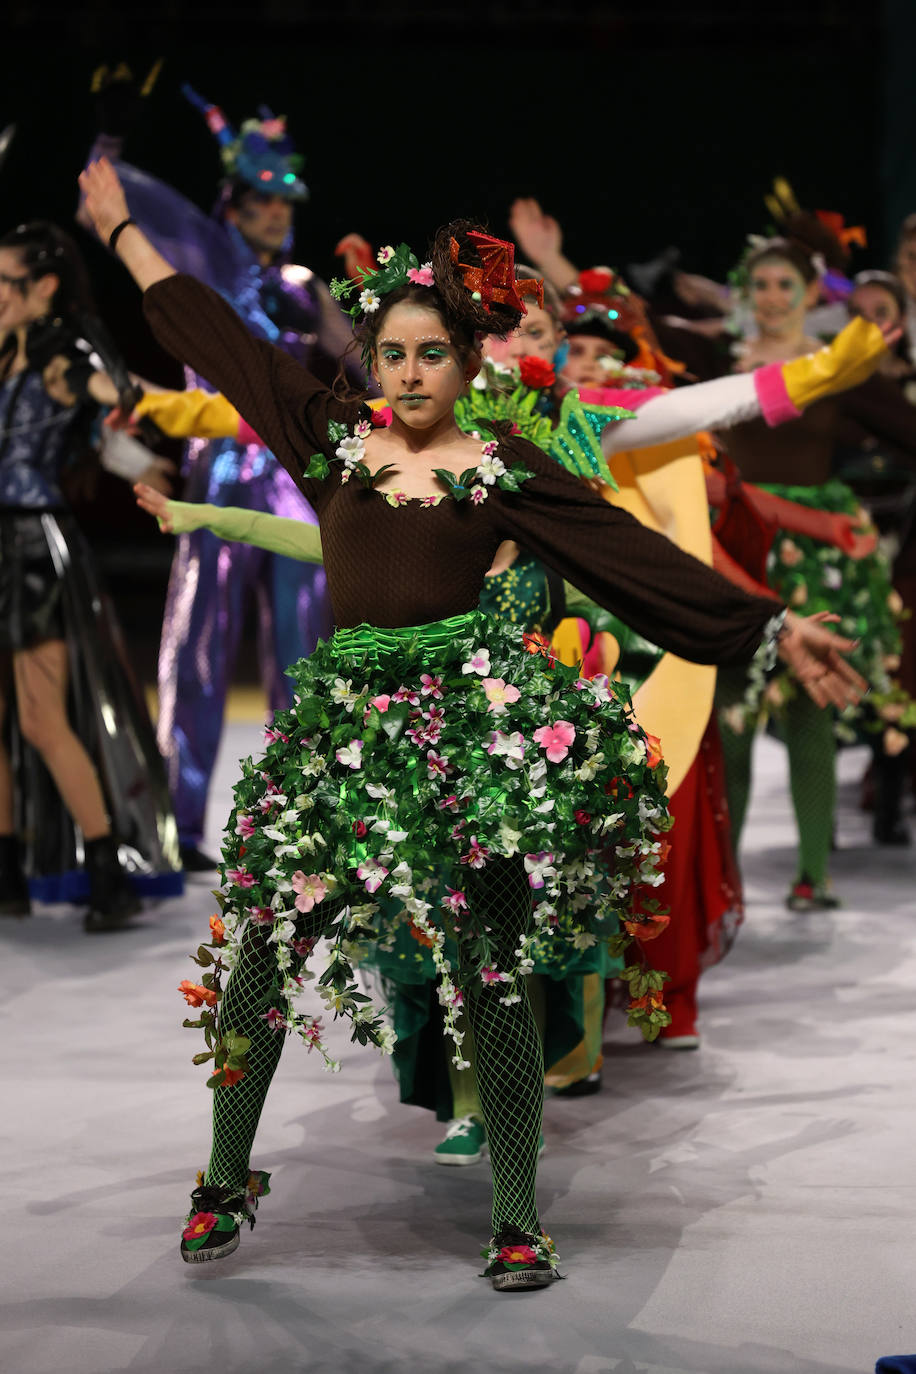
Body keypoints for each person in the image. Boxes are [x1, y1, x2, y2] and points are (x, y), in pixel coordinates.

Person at [80, 155, 864, 1290]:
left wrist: (774, 624)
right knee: (260, 957)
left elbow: (627, 557)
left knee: (490, 975)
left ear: (463, 360)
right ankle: (221, 1179)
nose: (405, 371)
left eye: (428, 352)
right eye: (388, 352)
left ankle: (513, 1216)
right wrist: (122, 236)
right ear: (368, 360)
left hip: (467, 750)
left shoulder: (501, 467)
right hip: (343, 745)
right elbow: (222, 343)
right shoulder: (331, 440)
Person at [80, 78, 359, 871]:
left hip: (298, 479)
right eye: (264, 200)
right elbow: (108, 208)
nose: (280, 212)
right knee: (196, 650)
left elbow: (362, 368)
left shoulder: (304, 287)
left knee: (308, 652)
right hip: (219, 469)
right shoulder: (206, 255)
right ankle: (176, 829)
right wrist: (108, 144)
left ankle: (311, 825)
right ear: (231, 204)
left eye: (288, 201)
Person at [0, 220, 181, 928]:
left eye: (3, 282)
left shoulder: (57, 358)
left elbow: (113, 396)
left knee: (43, 719)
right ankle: (9, 866)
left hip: (31, 549)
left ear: (41, 287)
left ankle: (109, 870)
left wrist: (119, 404)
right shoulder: (7, 354)